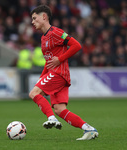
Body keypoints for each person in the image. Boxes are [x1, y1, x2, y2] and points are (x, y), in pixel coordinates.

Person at [29, 5, 98, 140]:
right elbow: (49, 61)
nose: (32, 22)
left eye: (34, 18)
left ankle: (51, 119)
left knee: (33, 93)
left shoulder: (55, 32)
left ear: (44, 17)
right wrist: (42, 77)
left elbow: (76, 45)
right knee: (60, 110)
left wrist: (59, 59)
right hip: (56, 74)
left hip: (59, 73)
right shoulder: (43, 38)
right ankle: (89, 129)